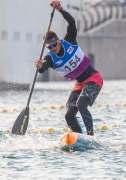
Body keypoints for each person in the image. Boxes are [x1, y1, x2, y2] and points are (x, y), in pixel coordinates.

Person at [35, 0, 103, 136]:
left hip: (94, 78)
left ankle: (90, 136)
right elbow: (43, 69)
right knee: (68, 115)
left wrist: (60, 8)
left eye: (54, 44)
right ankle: (79, 137)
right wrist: (40, 66)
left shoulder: (69, 40)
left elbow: (71, 23)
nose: (53, 48)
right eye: (49, 47)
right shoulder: (50, 58)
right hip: (79, 85)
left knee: (81, 105)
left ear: (58, 41)